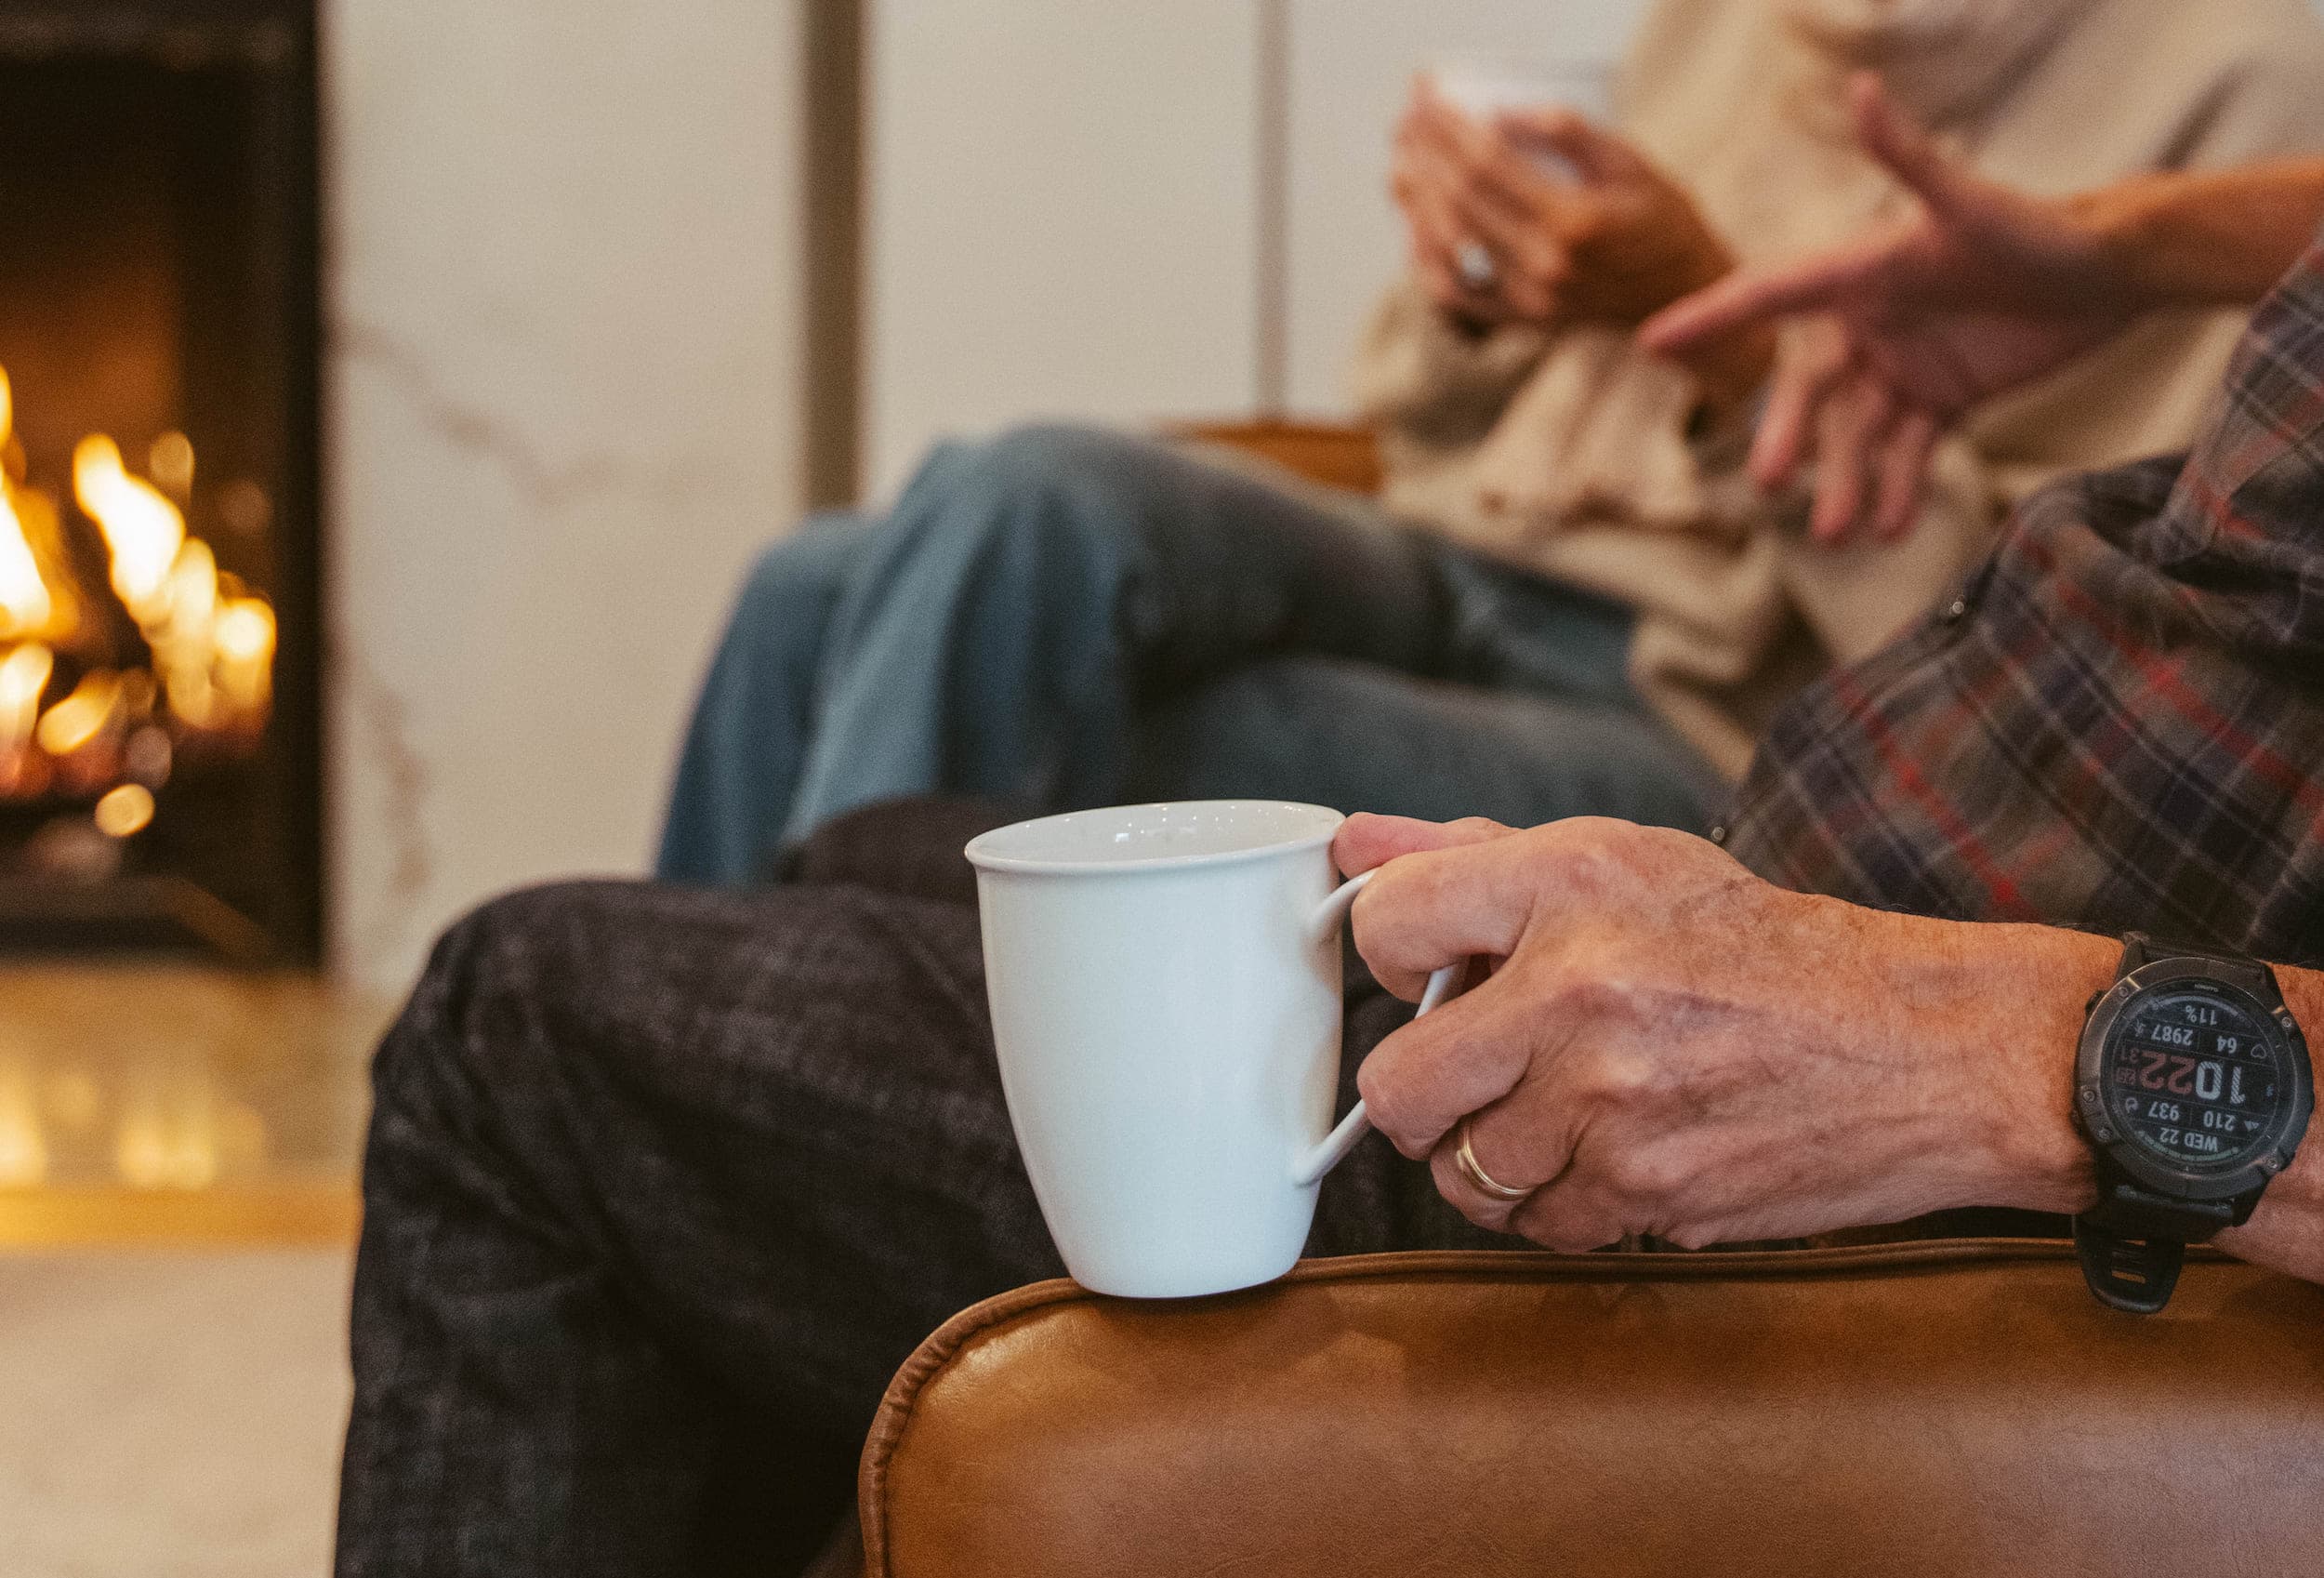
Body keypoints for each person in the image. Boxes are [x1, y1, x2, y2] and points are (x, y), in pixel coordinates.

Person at [337, 82, 2324, 1573]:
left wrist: (1983, 1051)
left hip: (1842, 1155)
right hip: (1774, 843)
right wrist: (2120, 245)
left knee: (520, 1024)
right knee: (878, 810)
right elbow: (1433, 401)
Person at [656, 0, 2324, 884]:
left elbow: (2059, 716)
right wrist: (1483, 279)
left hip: (1727, 718)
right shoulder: (1757, 19)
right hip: (1474, 560)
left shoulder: (2248, 95)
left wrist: (1731, 337)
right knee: (930, 535)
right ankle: (679, 1136)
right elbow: (1426, 418)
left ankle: (794, 1226)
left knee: (1138, 722)